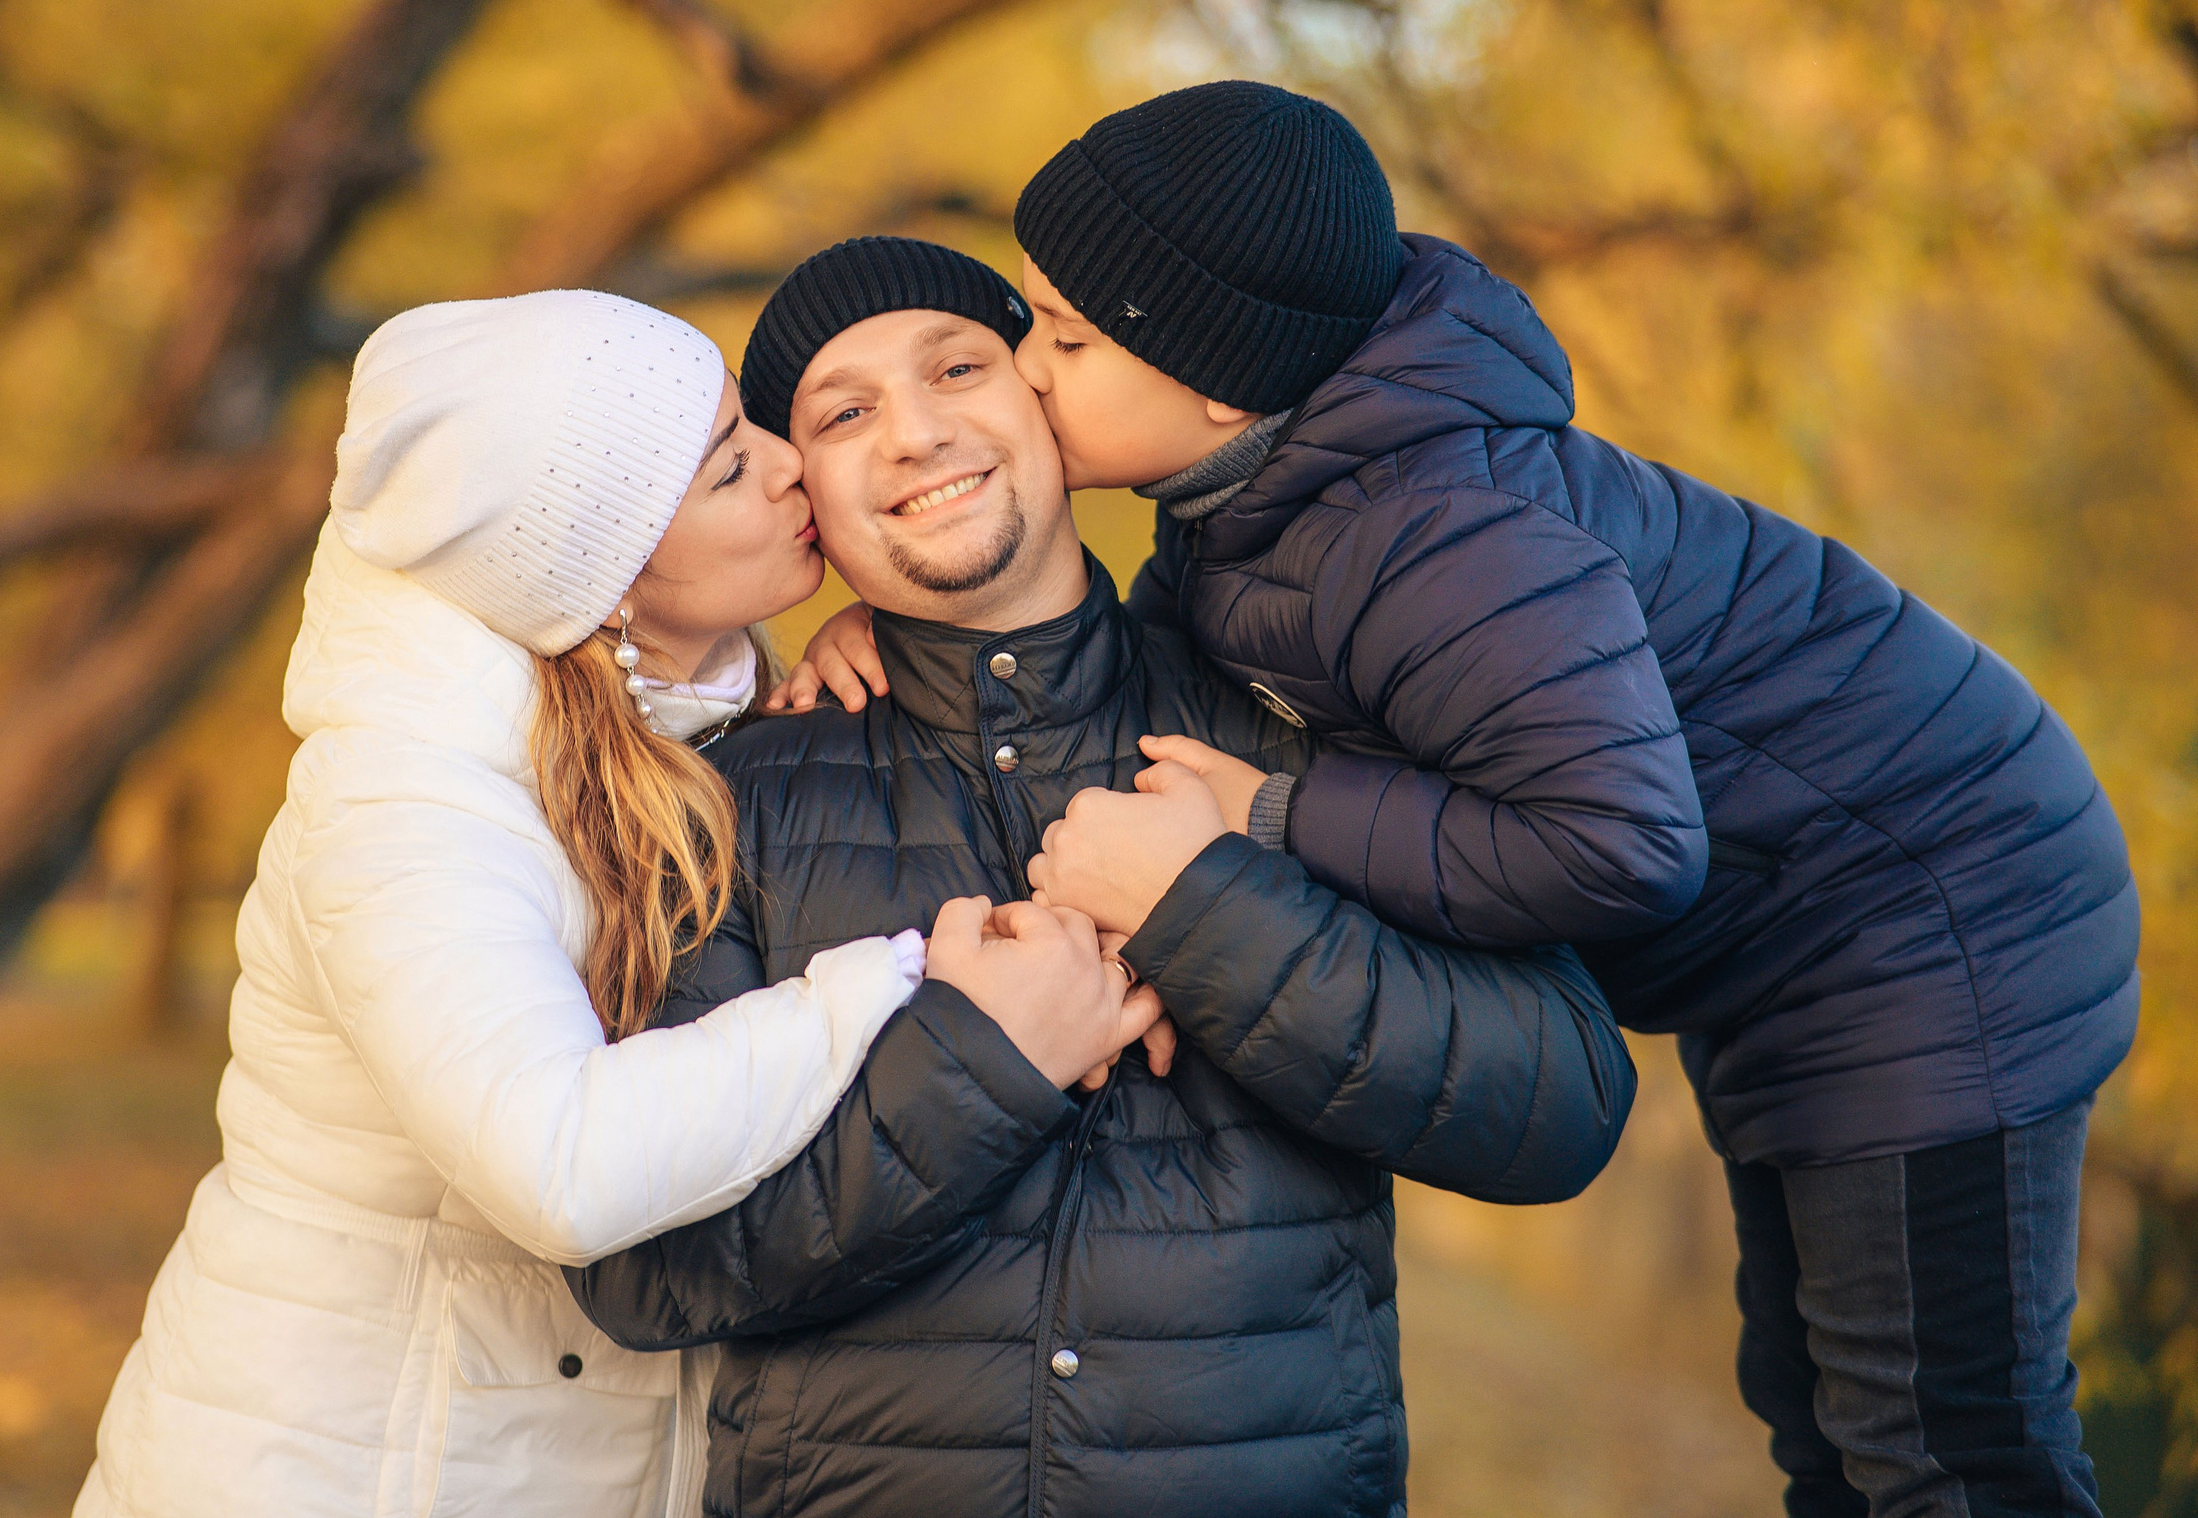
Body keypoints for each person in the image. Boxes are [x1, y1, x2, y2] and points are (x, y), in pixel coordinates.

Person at [790, 81, 2140, 1518]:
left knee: (1942, 1437)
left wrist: (1273, 820)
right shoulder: (1251, 499)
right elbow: (1146, 688)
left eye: (1065, 338)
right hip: (1798, 942)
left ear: (1215, 383)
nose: (1026, 369)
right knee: (1823, 1418)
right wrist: (908, 626)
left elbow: (1618, 846)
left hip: (1939, 914)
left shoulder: (1439, 530)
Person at [565, 238, 1638, 1518]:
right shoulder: (726, 802)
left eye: (957, 368)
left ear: (1046, 399)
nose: (914, 433)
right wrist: (984, 1061)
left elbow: (1561, 1104)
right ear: (807, 498)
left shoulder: (1291, 722)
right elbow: (646, 1269)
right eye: (843, 414)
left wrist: (1210, 913)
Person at [73, 291, 1160, 1518]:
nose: (789, 465)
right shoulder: (400, 805)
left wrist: (892, 644)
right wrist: (899, 983)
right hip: (353, 1464)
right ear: (609, 579)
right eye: (728, 468)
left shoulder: (662, 739)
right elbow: (559, 1164)